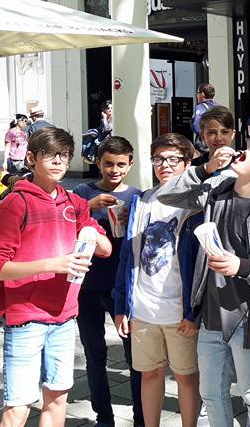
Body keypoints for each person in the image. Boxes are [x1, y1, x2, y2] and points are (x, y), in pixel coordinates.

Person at [156, 140, 250, 427]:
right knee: (211, 393)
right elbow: (166, 195)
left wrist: (241, 266)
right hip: (211, 316)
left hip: (249, 320)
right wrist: (205, 168)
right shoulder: (216, 190)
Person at [0, 127, 112, 427]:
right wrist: (50, 265)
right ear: (31, 158)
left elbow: (105, 250)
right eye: (50, 155)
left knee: (57, 399)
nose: (58, 161)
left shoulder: (74, 203)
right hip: (25, 318)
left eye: (64, 156)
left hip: (64, 317)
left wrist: (91, 232)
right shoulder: (15, 203)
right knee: (18, 406)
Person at [113, 133, 201, 427]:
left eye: (173, 159)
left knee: (186, 377)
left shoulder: (195, 204)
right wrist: (122, 306)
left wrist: (194, 312)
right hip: (143, 309)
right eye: (158, 159)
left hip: (179, 311)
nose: (165, 165)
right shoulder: (142, 201)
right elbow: (127, 257)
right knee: (149, 374)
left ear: (187, 163)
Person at [73, 136, 144, 427]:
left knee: (135, 358)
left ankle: (141, 417)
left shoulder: (137, 196)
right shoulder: (81, 193)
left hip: (122, 289)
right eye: (108, 164)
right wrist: (88, 206)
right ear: (98, 163)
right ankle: (104, 417)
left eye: (121, 164)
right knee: (95, 356)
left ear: (130, 164)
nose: (114, 170)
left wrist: (133, 218)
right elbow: (63, 224)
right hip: (87, 287)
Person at [192, 84, 218, 150]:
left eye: (198, 93)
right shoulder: (219, 107)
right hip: (218, 140)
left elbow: (195, 124)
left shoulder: (201, 107)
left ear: (202, 94)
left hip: (205, 143)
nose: (197, 95)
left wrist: (203, 135)